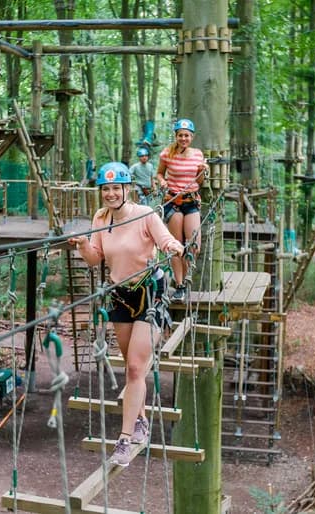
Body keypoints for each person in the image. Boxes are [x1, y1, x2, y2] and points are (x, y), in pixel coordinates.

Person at [68, 162, 185, 467]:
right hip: (120, 296)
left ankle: (124, 438)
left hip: (150, 293)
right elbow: (95, 259)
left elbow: (165, 240)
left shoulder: (145, 215)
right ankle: (141, 419)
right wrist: (84, 244)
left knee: (134, 368)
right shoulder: (100, 219)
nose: (110, 194)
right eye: (105, 189)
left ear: (127, 189)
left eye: (116, 188)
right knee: (132, 370)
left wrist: (175, 246)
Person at [156, 118, 208, 302]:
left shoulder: (198, 155)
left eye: (186, 135)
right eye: (180, 135)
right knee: (176, 245)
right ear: (176, 136)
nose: (183, 138)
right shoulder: (167, 153)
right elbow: (159, 173)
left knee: (194, 246)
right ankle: (179, 285)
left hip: (191, 201)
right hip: (173, 201)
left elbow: (199, 182)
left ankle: (185, 280)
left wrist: (202, 171)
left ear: (191, 137)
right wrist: (162, 181)